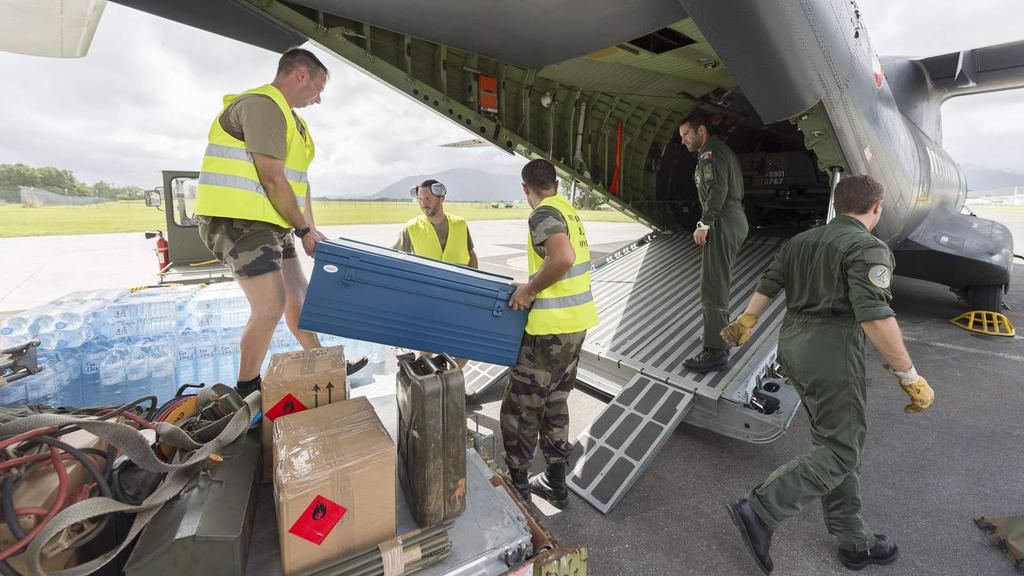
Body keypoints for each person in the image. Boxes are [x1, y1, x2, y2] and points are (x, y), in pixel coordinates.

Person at [719, 175, 935, 574]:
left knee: (835, 442)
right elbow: (874, 315)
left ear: (837, 204)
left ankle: (854, 540)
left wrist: (748, 319)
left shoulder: (800, 241)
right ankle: (761, 509)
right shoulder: (868, 248)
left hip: (793, 346)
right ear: (878, 207)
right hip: (831, 352)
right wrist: (908, 374)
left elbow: (769, 283)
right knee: (842, 451)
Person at [195, 47, 364, 396]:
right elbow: (272, 177)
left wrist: (310, 227)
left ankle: (322, 363)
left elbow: (299, 182)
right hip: (239, 220)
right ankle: (246, 388)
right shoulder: (262, 106)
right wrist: (302, 229)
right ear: (300, 74)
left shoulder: (294, 121)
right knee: (270, 305)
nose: (318, 99)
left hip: (273, 220)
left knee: (299, 299)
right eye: (318, 87)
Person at [503, 159, 599, 509]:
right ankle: (556, 482)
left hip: (549, 332)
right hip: (575, 325)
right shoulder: (569, 211)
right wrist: (531, 282)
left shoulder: (541, 213)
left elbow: (561, 258)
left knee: (522, 407)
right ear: (556, 184)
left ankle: (519, 485)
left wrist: (528, 292)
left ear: (526, 189)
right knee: (556, 402)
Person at [678, 112, 749, 372]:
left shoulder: (710, 153)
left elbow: (717, 189)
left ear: (701, 131)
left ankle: (716, 352)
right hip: (729, 217)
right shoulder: (715, 151)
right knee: (715, 281)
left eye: (687, 134)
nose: (684, 140)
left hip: (722, 219)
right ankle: (717, 337)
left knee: (713, 284)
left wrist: (704, 222)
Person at [394, 179, 479, 268]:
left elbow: (471, 254)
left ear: (442, 198)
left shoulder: (460, 224)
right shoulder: (411, 227)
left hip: (457, 281)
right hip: (427, 282)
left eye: (428, 198)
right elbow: (393, 257)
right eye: (420, 199)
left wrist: (474, 280)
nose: (423, 203)